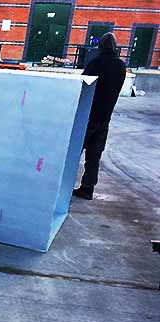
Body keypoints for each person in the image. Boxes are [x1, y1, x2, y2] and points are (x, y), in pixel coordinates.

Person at [73, 32, 126, 200]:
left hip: (89, 118)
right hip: (105, 119)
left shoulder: (96, 63)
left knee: (74, 152)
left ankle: (63, 184)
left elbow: (82, 86)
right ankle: (87, 188)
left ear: (100, 47)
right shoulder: (120, 66)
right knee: (94, 156)